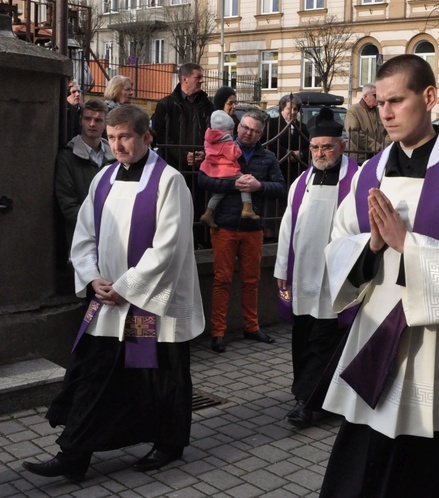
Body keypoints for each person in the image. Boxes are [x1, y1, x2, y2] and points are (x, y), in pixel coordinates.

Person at [318, 54, 439, 497]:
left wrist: (408, 244)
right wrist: (370, 245)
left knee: (438, 465)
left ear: (428, 98)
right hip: (379, 336)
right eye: (380, 102)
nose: (385, 112)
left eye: (397, 101)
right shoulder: (369, 172)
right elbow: (337, 246)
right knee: (369, 457)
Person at [22, 104, 204, 481]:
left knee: (162, 373)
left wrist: (126, 288)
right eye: (111, 137)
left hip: (153, 303)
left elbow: (169, 247)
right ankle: (73, 455)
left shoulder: (169, 181)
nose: (117, 145)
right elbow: (85, 235)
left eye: (125, 137)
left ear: (145, 137)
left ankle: (170, 443)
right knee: (95, 373)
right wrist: (91, 279)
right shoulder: (102, 179)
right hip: (108, 300)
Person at [274, 107, 359, 429]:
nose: (320, 153)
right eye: (314, 147)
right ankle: (305, 392)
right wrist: (282, 270)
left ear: (342, 145)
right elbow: (287, 228)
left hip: (338, 278)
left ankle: (308, 403)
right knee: (303, 337)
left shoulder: (357, 180)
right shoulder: (300, 182)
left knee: (326, 339)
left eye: (327, 146)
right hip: (304, 274)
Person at [198, 110, 285, 353]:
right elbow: (203, 180)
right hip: (224, 225)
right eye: (246, 127)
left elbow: (280, 187)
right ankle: (218, 332)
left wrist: (259, 186)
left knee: (251, 280)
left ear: (261, 133)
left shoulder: (267, 157)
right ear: (238, 127)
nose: (249, 133)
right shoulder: (220, 147)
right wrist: (231, 184)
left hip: (253, 227)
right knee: (222, 280)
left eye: (255, 130)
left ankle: (252, 326)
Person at [55, 99, 115, 249]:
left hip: (114, 235)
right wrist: (96, 226)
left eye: (98, 120)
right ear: (81, 120)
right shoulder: (67, 157)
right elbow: (68, 203)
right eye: (88, 118)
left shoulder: (115, 157)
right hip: (82, 236)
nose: (92, 124)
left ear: (105, 124)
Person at [198, 111, 257, 229]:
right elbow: (233, 155)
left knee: (219, 193)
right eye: (230, 129)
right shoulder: (226, 141)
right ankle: (247, 208)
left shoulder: (209, 139)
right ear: (224, 130)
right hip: (227, 170)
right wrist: (235, 146)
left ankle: (208, 213)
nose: (232, 132)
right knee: (245, 181)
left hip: (215, 170)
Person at [151, 63, 215, 171]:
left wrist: (205, 152)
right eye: (198, 77)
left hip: (200, 168)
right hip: (172, 167)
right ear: (184, 79)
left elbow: (214, 134)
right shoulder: (165, 105)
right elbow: (161, 137)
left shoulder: (208, 105)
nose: (202, 81)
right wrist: (183, 155)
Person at [262, 93, 310, 185]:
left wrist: (301, 154)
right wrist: (286, 152)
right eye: (289, 108)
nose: (293, 112)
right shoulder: (271, 124)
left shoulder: (303, 128)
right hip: (277, 169)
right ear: (282, 110)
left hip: (297, 171)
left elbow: (310, 147)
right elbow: (266, 144)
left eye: (295, 109)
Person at [344, 82, 388, 162]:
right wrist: (375, 146)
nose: (378, 98)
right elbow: (353, 133)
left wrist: (384, 146)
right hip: (360, 158)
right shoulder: (354, 110)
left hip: (379, 157)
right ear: (365, 96)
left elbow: (389, 130)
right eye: (375, 96)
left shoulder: (379, 111)